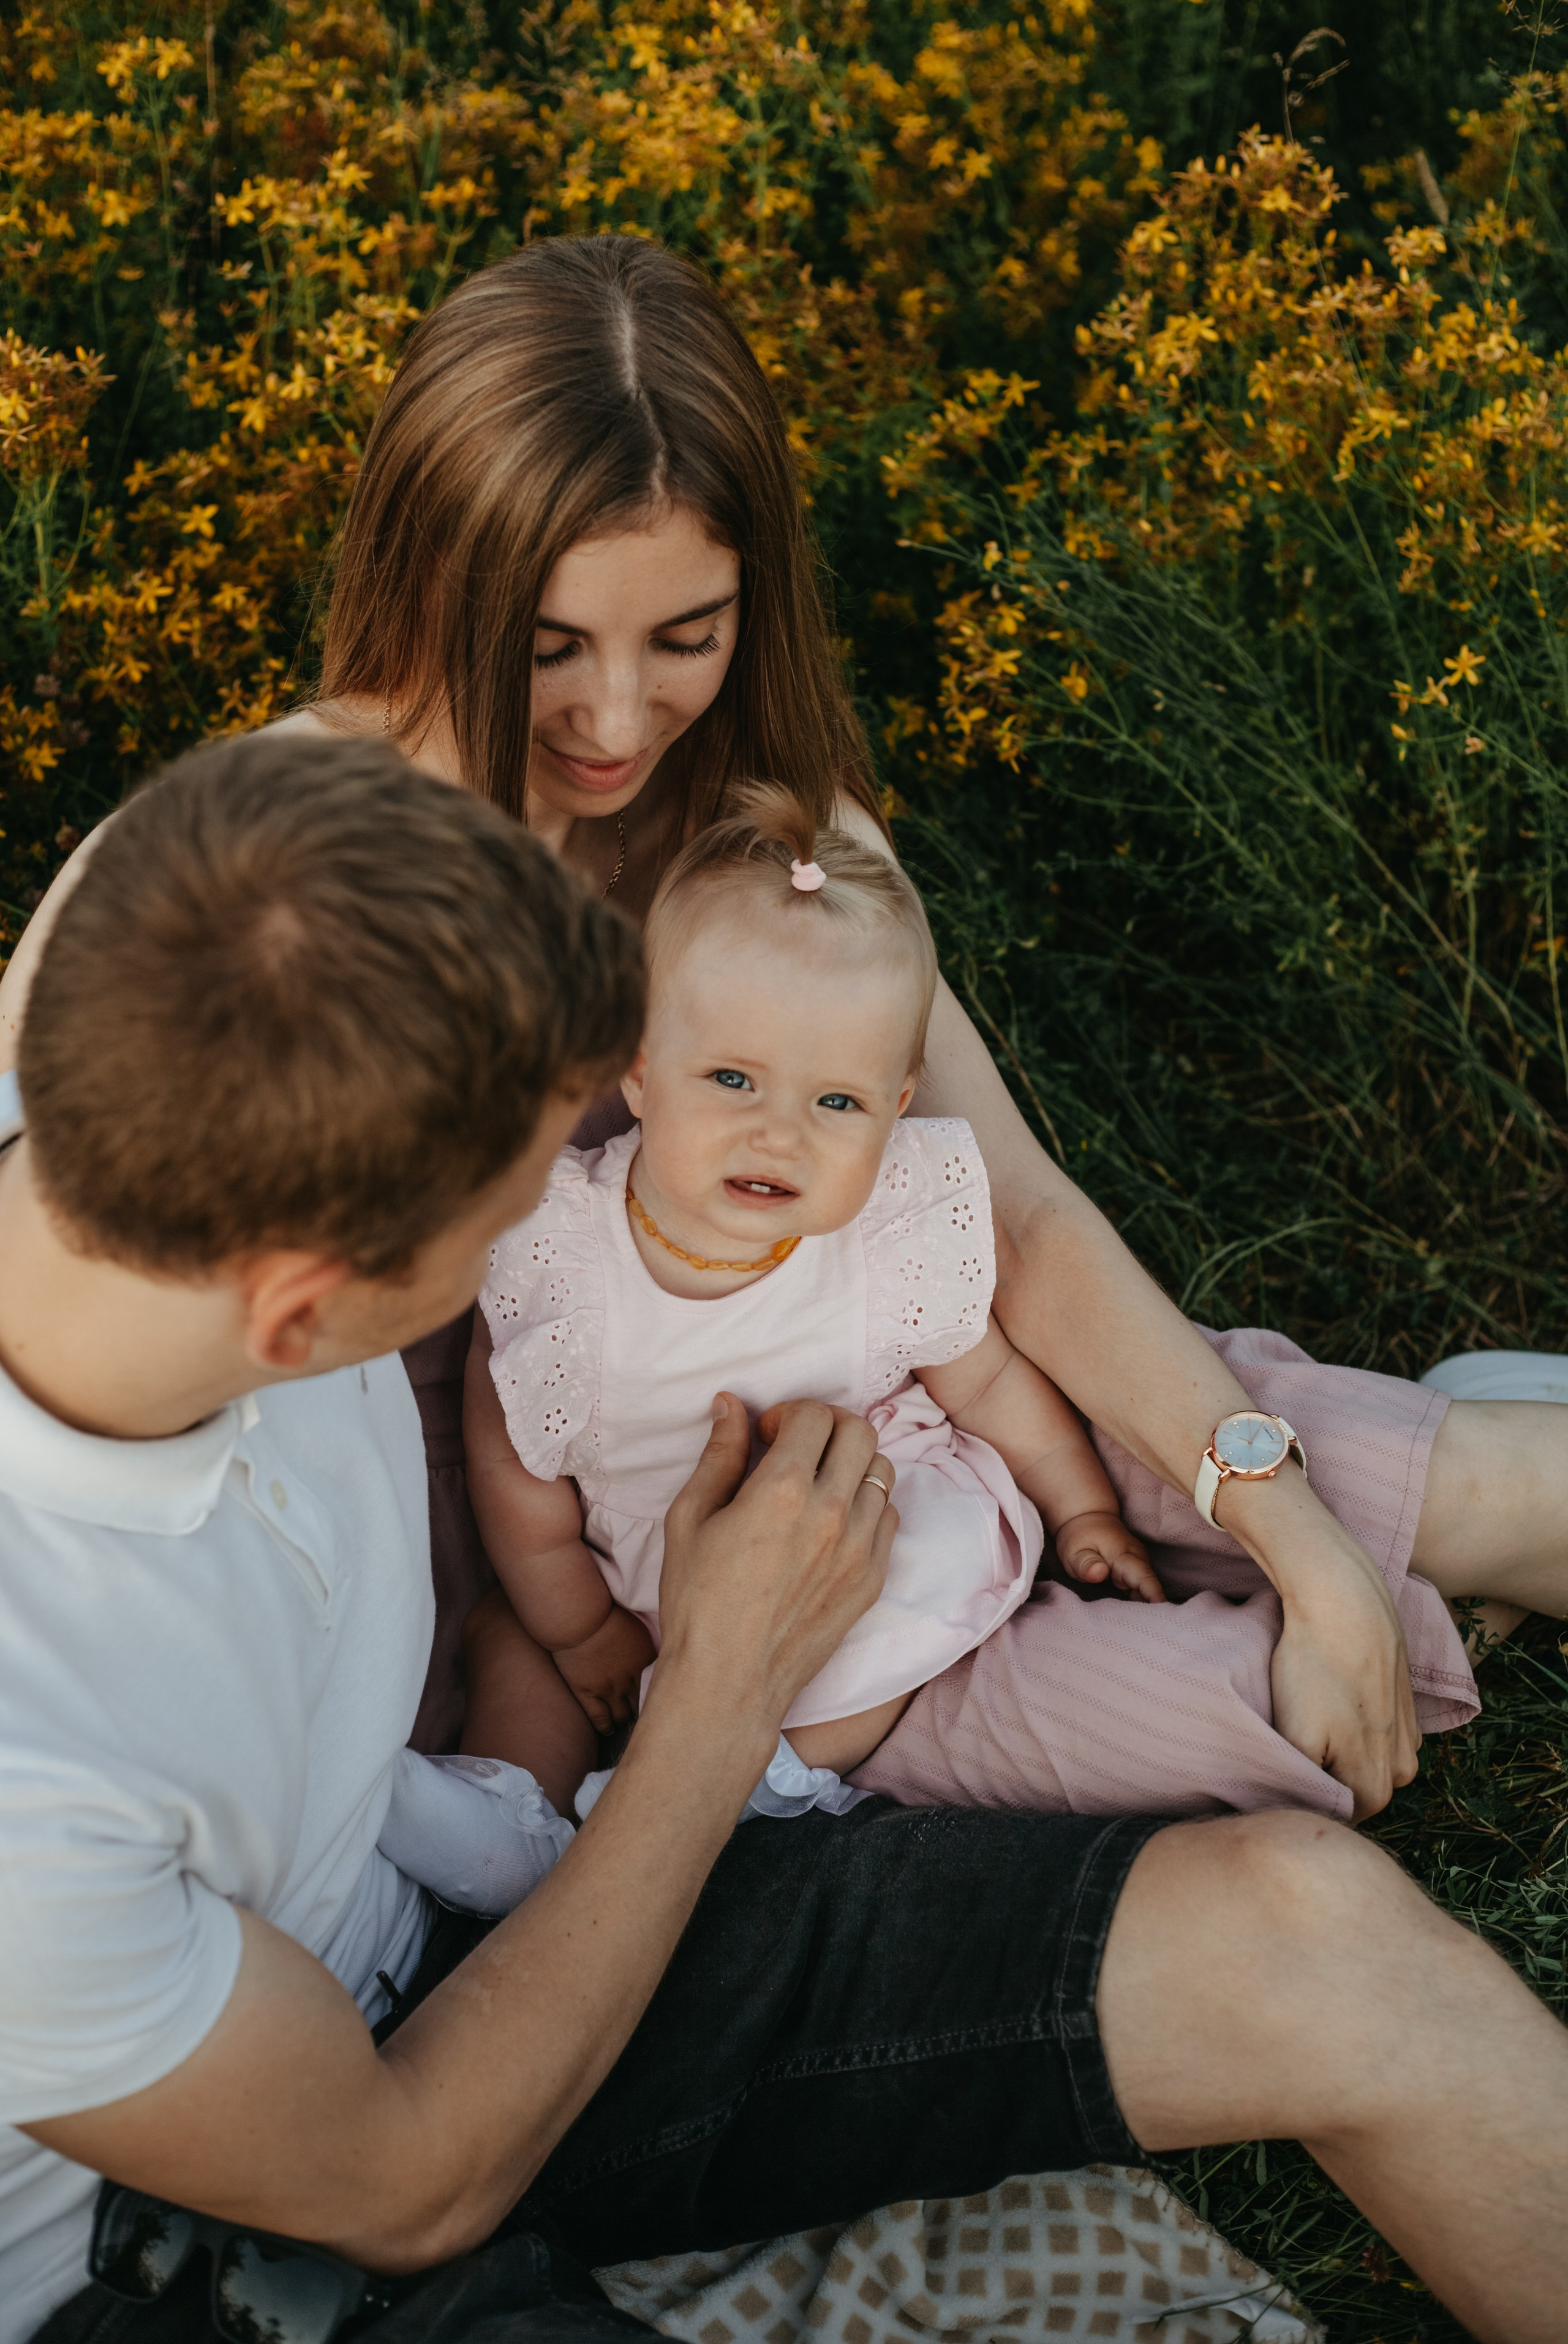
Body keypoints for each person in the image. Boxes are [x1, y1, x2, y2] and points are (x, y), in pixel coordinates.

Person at [3, 730, 1567, 2344]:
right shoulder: (29, 1802)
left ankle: (1455, 1487)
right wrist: (724, 1682)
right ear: (306, 1314)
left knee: (1326, 1937)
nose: (570, 1204)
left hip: (522, 1804)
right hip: (317, 2186)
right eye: (499, 1220)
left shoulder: (90, 1084)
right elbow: (403, 2184)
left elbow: (289, 783)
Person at [0, 234, 1561, 1824]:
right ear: (436, 580)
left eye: (687, 636)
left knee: (1441, 1491)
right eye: (551, 645)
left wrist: (1287, 1522)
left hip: (873, 1381)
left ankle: (1415, 1513)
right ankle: (1398, 1564)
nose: (617, 722)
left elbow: (1011, 1217)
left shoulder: (771, 848)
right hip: (482, 1503)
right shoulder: (272, 850)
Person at [463, 796, 1526, 1824]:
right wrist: (581, 1628)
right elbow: (510, 1464)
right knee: (514, 1645)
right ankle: (535, 1818)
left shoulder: (883, 1230)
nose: (780, 1133)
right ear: (640, 1072)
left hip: (897, 1539)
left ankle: (752, 1781)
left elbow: (990, 1382)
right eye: (733, 1079)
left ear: (898, 1106)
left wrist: (1080, 1511)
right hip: (661, 1589)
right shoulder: (558, 1251)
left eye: (837, 1102)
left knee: (1292, 1531)